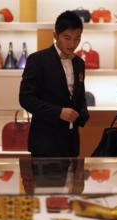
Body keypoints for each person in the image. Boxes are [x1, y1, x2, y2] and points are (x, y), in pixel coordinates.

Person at [19, 11, 89, 157]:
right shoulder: (38, 60)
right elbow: (26, 99)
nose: (72, 44)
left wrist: (83, 113)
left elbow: (79, 95)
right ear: (55, 35)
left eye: (77, 39)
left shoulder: (79, 63)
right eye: (67, 38)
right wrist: (59, 112)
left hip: (71, 143)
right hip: (45, 141)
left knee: (74, 180)